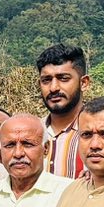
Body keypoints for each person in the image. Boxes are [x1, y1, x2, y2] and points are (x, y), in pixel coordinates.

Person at [36, 42, 90, 177]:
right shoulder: (31, 133)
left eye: (63, 79)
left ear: (84, 83)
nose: (53, 88)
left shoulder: (103, 135)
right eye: (46, 80)